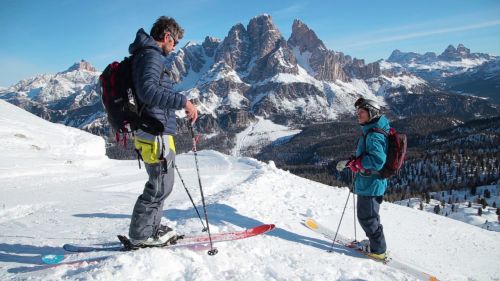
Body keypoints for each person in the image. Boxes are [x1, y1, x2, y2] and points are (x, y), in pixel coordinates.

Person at [127, 16, 198, 247]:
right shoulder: (151, 56)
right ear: (166, 37)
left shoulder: (146, 55)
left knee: (162, 184)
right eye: (175, 41)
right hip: (153, 131)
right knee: (159, 186)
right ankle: (141, 235)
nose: (175, 46)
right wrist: (183, 102)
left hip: (154, 129)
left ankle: (152, 229)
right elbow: (148, 92)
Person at [343, 97, 389, 260]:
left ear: (372, 113)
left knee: (366, 217)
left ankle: (378, 250)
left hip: (371, 184)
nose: (358, 115)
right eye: (358, 112)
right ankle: (376, 243)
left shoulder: (374, 135)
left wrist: (359, 163)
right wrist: (355, 161)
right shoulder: (372, 130)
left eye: (361, 112)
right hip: (372, 183)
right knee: (371, 216)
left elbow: (377, 160)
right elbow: (368, 156)